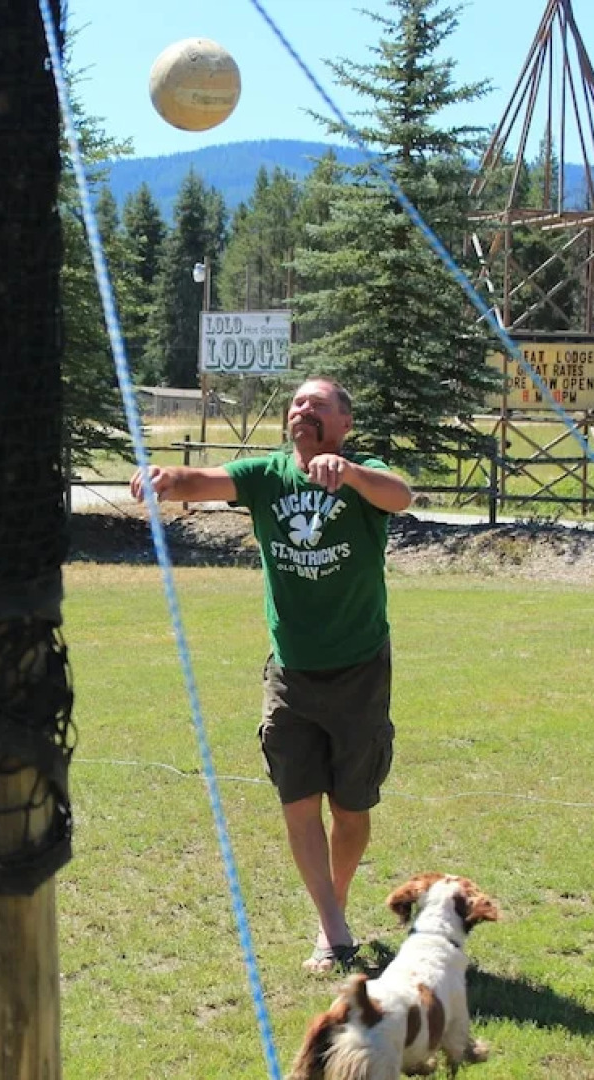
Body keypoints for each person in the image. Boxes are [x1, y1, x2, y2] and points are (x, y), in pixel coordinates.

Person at [131, 376, 412, 974]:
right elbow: (198, 481)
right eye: (296, 403)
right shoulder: (266, 476)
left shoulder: (366, 471)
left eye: (318, 404)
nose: (302, 409)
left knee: (353, 809)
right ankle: (333, 930)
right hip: (289, 673)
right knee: (298, 801)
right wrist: (162, 478)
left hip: (360, 668)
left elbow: (401, 496)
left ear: (343, 424)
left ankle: (332, 907)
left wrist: (353, 474)